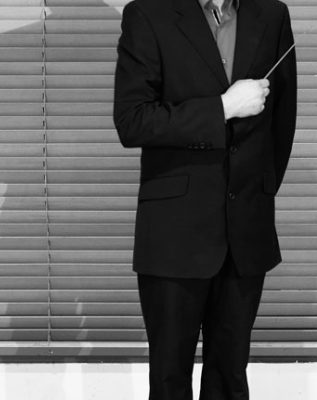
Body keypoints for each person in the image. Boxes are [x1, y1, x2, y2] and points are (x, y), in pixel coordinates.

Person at [112, 0, 297, 398]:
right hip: (174, 231)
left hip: (246, 229)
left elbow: (282, 122)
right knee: (169, 379)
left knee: (230, 376)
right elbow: (133, 121)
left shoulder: (272, 15)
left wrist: (259, 192)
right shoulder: (147, 14)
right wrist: (223, 108)